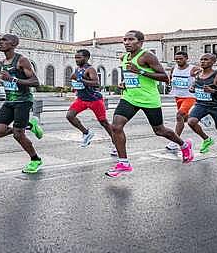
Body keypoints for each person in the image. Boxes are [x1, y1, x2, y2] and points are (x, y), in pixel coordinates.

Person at [106, 30, 194, 178]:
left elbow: (164, 78)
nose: (126, 42)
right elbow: (131, 76)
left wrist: (140, 71)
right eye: (125, 39)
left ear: (140, 42)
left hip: (148, 99)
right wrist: (125, 83)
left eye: (130, 39)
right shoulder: (125, 57)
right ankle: (124, 163)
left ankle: (184, 145)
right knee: (116, 126)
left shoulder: (147, 56)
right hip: (130, 97)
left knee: (159, 130)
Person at [0, 34, 45, 174]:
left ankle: (35, 160)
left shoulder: (21, 60)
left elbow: (35, 82)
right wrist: (1, 82)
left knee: (18, 134)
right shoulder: (3, 62)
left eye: (4, 40)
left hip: (23, 101)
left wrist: (13, 79)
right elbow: (9, 80)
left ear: (14, 44)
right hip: (9, 101)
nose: (0, 42)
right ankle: (29, 125)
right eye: (0, 40)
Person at [186, 54, 217, 158]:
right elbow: (195, 85)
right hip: (201, 104)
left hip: (215, 106)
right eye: (201, 59)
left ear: (213, 62)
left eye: (206, 59)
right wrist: (192, 88)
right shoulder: (198, 74)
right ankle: (206, 139)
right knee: (191, 122)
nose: (203, 62)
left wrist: (213, 91)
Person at [66, 49, 114, 148]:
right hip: (82, 99)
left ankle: (115, 143)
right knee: (70, 116)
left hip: (94, 99)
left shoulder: (90, 69)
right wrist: (75, 85)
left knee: (103, 122)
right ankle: (86, 133)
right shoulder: (78, 69)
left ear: (87, 58)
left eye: (79, 57)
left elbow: (96, 83)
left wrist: (80, 79)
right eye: (75, 57)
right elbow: (76, 80)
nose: (76, 60)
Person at [165, 51, 201, 151]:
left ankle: (175, 141)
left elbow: (205, 74)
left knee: (179, 115)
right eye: (176, 59)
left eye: (180, 59)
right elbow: (171, 78)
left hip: (190, 96)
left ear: (186, 58)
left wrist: (197, 76)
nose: (178, 61)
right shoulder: (174, 68)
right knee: (184, 118)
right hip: (178, 96)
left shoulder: (193, 68)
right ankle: (199, 118)